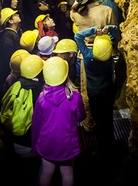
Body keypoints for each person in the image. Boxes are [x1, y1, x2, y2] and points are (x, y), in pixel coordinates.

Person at [70, 0, 118, 132]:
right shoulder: (106, 11)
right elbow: (115, 36)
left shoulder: (75, 13)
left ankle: (89, 123)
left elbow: (75, 8)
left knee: (87, 90)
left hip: (86, 55)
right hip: (104, 52)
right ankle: (106, 121)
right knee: (105, 87)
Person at [31, 56, 86, 186]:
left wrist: (35, 145)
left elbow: (36, 124)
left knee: (46, 172)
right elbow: (80, 117)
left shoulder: (41, 98)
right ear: (66, 74)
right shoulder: (74, 97)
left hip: (47, 143)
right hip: (67, 143)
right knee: (67, 173)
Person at [74, 26, 115, 180]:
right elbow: (115, 32)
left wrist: (93, 31)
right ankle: (109, 147)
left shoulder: (88, 55)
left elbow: (78, 36)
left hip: (94, 93)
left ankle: (101, 150)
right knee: (108, 120)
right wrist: (108, 29)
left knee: (98, 120)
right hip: (107, 92)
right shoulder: (108, 57)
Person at [0, 7, 22, 112]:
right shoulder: (9, 35)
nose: (17, 15)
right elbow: (9, 55)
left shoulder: (12, 33)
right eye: (14, 15)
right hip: (7, 72)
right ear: (10, 20)